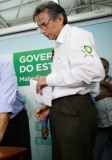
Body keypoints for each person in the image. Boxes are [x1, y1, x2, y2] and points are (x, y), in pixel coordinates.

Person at [33, 1, 105, 160]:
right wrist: (51, 105)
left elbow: (94, 70)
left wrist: (48, 79)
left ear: (59, 19)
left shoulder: (76, 35)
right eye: (40, 27)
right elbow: (67, 84)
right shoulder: (58, 46)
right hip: (63, 109)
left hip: (75, 109)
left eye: (44, 25)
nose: (42, 31)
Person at [93, 58, 112, 160]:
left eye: (104, 67)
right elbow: (92, 97)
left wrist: (105, 84)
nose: (102, 69)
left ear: (108, 69)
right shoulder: (90, 82)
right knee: (96, 156)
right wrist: (110, 93)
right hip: (100, 126)